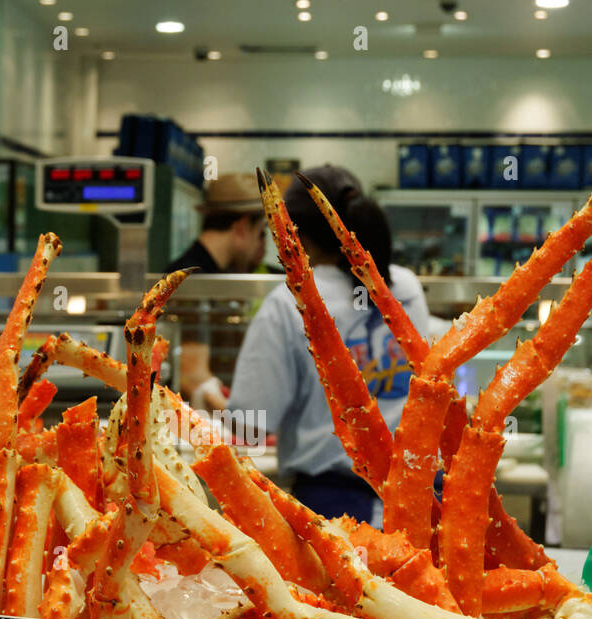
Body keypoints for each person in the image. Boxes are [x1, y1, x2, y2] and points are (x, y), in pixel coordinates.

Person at [226, 165, 451, 525]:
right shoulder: (404, 285)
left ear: (296, 234)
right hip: (423, 502)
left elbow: (250, 424)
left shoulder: (289, 302)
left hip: (335, 511)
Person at [166, 173, 268, 411]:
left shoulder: (208, 272)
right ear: (242, 227)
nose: (259, 245)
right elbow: (193, 378)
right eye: (259, 232)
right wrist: (248, 426)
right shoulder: (192, 279)